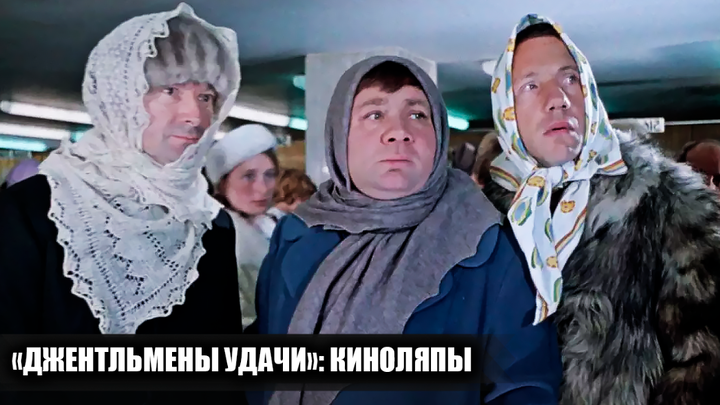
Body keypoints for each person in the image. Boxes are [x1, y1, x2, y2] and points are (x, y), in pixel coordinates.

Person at [251, 56, 562, 405]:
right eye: (375, 114)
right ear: (340, 135)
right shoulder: (297, 232)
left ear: (438, 133)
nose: (399, 131)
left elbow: (525, 388)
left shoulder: (489, 245)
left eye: (417, 115)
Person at [482, 14, 720, 405]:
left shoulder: (670, 200)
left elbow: (703, 364)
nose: (558, 98)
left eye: (570, 79)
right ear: (507, 108)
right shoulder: (485, 217)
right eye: (530, 85)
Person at [0, 3, 244, 334]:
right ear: (119, 96)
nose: (196, 116)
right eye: (170, 90)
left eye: (206, 97)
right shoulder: (35, 212)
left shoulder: (210, 221)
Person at [205, 123, 279, 329]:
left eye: (270, 174)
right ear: (223, 184)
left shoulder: (268, 224)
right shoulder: (218, 238)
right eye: (248, 176)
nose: (262, 188)